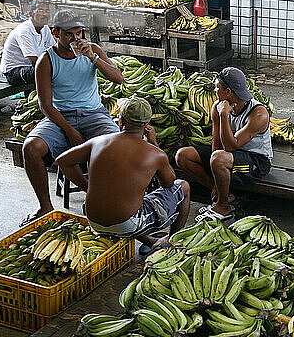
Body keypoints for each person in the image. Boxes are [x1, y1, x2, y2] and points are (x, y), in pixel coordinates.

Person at [21, 9, 124, 225]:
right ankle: (45, 207)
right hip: (59, 117)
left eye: (79, 33)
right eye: (69, 34)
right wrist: (70, 131)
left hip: (93, 113)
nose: (76, 39)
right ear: (55, 33)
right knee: (30, 148)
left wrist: (93, 58)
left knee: (117, 145)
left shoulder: (92, 50)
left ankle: (98, 196)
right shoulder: (46, 61)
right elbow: (46, 105)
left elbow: (118, 79)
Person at [56, 97, 190, 250]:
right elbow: (169, 183)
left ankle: (151, 241)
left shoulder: (98, 141)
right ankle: (172, 241)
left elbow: (63, 161)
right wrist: (154, 143)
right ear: (147, 125)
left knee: (130, 203)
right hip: (126, 224)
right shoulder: (155, 153)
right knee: (184, 187)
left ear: (121, 121)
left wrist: (87, 188)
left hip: (92, 217)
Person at [175, 67, 273, 222]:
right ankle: (218, 190)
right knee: (182, 156)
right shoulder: (217, 106)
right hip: (229, 156)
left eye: (217, 88)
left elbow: (230, 146)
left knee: (220, 158)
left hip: (256, 162)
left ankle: (223, 206)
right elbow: (217, 144)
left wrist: (224, 115)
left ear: (228, 91)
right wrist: (215, 168)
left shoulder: (258, 114)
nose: (214, 91)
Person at [0, 0, 54, 88]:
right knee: (48, 72)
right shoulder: (24, 31)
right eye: (40, 11)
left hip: (31, 68)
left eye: (47, 11)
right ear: (30, 14)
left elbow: (53, 52)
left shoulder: (45, 28)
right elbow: (34, 61)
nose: (45, 14)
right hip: (13, 72)